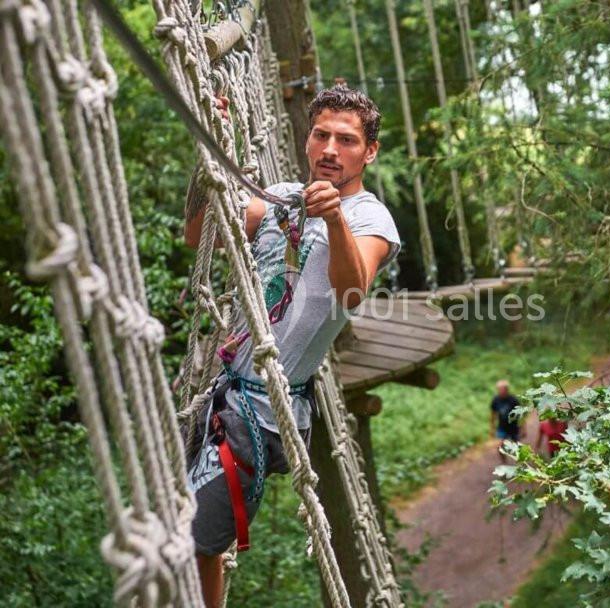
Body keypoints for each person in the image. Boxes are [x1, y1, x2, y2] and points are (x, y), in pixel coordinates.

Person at [183, 85, 401, 607]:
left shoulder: (371, 219)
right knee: (178, 534)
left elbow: (352, 290)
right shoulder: (279, 197)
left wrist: (334, 218)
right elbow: (199, 234)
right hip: (223, 392)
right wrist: (207, 148)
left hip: (264, 414)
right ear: (307, 139)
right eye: (321, 135)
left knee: (191, 545)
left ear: (369, 152)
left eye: (347, 140)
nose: (330, 149)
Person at [490, 380, 524, 461]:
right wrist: (492, 428)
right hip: (502, 427)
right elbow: (493, 415)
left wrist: (523, 428)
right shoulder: (496, 400)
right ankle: (504, 462)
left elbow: (521, 414)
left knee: (517, 447)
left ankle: (520, 463)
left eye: (502, 389)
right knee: (500, 446)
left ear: (507, 389)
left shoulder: (513, 400)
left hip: (513, 427)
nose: (500, 391)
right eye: (499, 389)